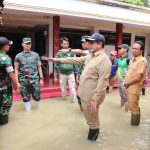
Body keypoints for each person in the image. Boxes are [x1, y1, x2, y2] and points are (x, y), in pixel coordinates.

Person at [43, 33, 111, 141]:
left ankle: (92, 140)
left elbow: (103, 82)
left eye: (92, 42)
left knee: (92, 122)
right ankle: (93, 130)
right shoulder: (91, 56)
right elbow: (75, 60)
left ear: (99, 44)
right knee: (90, 118)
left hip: (91, 96)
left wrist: (94, 99)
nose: (89, 44)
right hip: (85, 94)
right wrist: (57, 60)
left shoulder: (104, 59)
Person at [14, 37, 44, 112]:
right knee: (25, 98)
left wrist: (41, 78)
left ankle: (39, 111)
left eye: (29, 43)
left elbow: (39, 67)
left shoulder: (36, 55)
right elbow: (16, 69)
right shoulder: (18, 56)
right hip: (23, 81)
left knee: (37, 97)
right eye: (26, 44)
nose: (28, 45)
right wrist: (17, 82)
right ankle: (28, 112)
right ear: (22, 44)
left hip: (34, 80)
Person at [61, 35, 91, 110]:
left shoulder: (90, 52)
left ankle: (87, 112)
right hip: (81, 79)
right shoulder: (84, 53)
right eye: (82, 43)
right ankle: (83, 111)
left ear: (90, 43)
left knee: (86, 98)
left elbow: (80, 52)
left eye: (85, 43)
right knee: (80, 97)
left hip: (87, 80)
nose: (83, 44)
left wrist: (69, 50)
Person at [123, 41, 148, 126]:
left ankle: (134, 126)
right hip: (129, 86)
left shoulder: (142, 61)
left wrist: (126, 83)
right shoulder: (132, 60)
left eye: (136, 49)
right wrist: (125, 78)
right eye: (133, 48)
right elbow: (131, 73)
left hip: (134, 88)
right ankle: (134, 123)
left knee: (134, 108)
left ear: (141, 51)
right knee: (132, 106)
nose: (133, 50)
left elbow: (137, 78)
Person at [0, 37, 20, 125]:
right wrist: (17, 86)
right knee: (5, 107)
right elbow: (11, 75)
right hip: (4, 88)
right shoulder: (5, 58)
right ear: (5, 47)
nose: (9, 47)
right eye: (8, 45)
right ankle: (3, 124)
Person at [53, 37, 78, 103]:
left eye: (67, 44)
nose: (66, 45)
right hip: (62, 74)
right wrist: (55, 76)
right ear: (61, 45)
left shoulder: (72, 52)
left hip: (71, 73)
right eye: (64, 44)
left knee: (72, 89)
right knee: (63, 89)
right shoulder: (59, 53)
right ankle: (64, 100)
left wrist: (77, 73)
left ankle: (73, 101)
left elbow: (75, 63)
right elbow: (56, 65)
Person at [117, 44, 130, 111]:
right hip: (119, 80)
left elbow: (131, 70)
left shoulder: (128, 59)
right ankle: (120, 111)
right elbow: (119, 67)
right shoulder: (119, 58)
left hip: (125, 81)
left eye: (120, 48)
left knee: (127, 98)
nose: (119, 50)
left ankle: (126, 112)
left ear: (125, 50)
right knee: (121, 96)